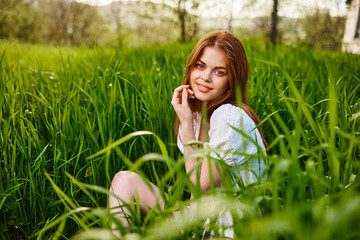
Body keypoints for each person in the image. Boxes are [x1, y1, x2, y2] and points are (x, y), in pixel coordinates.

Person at [108, 31, 267, 238]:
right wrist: (188, 121)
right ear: (191, 67)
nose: (205, 77)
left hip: (234, 227)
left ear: (233, 79)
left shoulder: (230, 116)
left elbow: (197, 188)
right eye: (200, 66)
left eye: (219, 72)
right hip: (202, 216)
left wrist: (185, 123)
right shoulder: (196, 117)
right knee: (124, 181)